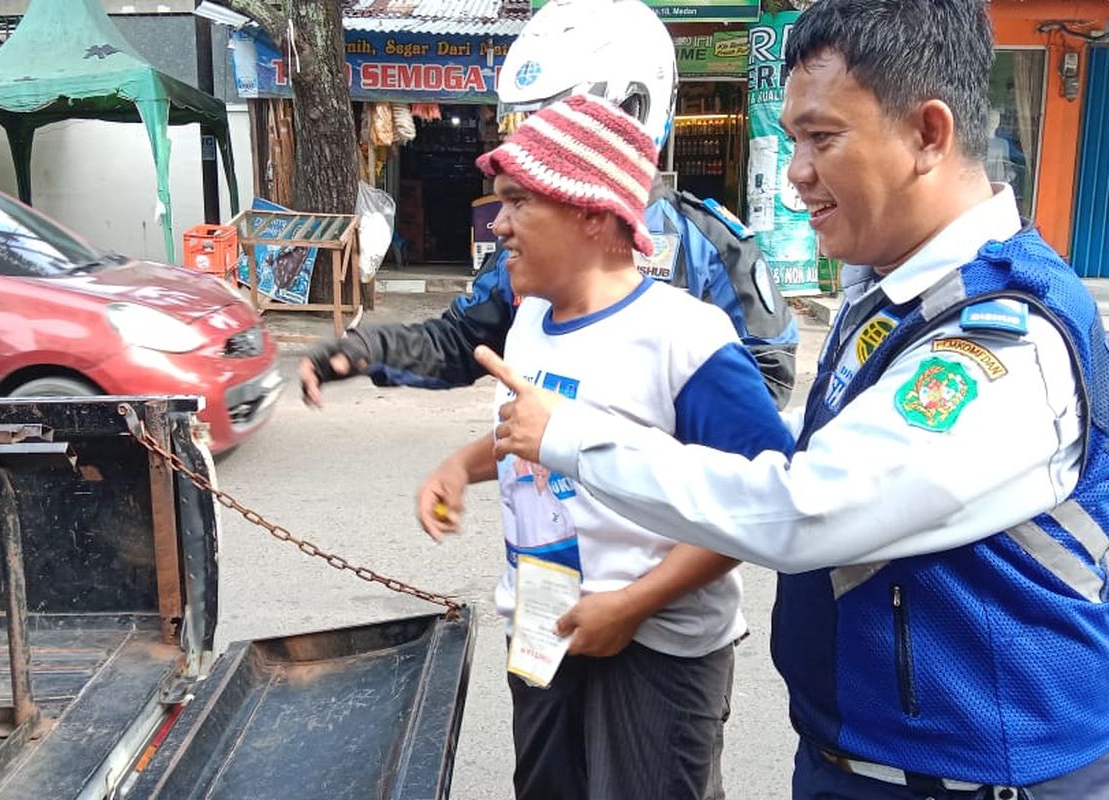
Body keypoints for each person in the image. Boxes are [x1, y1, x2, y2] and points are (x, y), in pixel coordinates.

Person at [473, 1, 1109, 798]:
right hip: (862, 756)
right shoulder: (889, 297)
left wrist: (574, 439)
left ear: (929, 134)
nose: (798, 169)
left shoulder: (1002, 338)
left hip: (978, 776)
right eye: (792, 139)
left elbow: (805, 508)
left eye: (822, 138)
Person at [418, 94, 793, 800]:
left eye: (517, 202)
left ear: (592, 212)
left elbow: (763, 502)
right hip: (540, 621)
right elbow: (530, 436)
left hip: (658, 645)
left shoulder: (687, 336)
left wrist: (633, 605)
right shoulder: (529, 322)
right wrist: (459, 467)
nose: (497, 224)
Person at [299, 0, 798, 411]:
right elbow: (461, 341)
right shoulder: (528, 254)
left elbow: (767, 384)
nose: (505, 220)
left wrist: (613, 441)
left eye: (553, 122)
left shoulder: (710, 248)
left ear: (630, 110)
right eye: (527, 125)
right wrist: (370, 351)